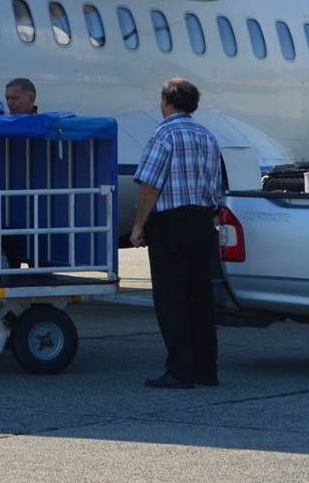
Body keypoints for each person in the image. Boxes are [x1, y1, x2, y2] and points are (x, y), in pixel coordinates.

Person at [130, 77, 225, 389]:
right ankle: (206, 369)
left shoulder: (164, 134)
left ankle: (180, 370)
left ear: (167, 102)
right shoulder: (207, 136)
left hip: (171, 223)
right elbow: (216, 186)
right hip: (202, 222)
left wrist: (139, 224)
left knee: (171, 300)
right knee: (200, 298)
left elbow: (150, 185)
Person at [1, 77, 39, 271]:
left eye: (15, 98)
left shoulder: (45, 127)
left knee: (39, 258)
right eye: (7, 98)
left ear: (31, 99)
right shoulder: (1, 127)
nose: (10, 103)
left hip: (38, 204)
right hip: (8, 203)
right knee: (10, 253)